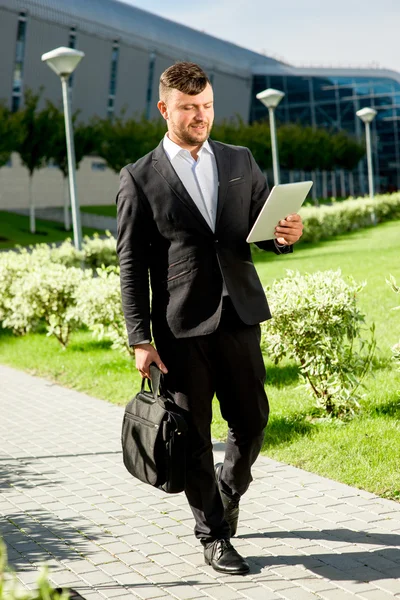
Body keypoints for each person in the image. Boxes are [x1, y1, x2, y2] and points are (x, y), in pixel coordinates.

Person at [116, 62, 304, 575]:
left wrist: (285, 234)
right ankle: (213, 534)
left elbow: (262, 229)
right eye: (188, 108)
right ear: (164, 109)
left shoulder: (240, 160)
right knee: (194, 436)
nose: (200, 116)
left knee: (253, 420)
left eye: (207, 107)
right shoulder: (138, 178)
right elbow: (130, 267)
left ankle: (228, 489)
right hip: (180, 330)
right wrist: (139, 338)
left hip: (240, 316)